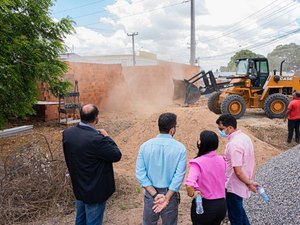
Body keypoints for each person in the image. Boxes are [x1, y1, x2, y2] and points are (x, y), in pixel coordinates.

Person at [62, 104, 122, 225]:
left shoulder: (68, 134)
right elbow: (116, 155)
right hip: (95, 191)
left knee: (80, 220)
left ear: (80, 116)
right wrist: (107, 137)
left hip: (79, 186)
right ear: (96, 118)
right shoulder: (97, 139)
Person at [136, 112, 187, 225]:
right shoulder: (180, 149)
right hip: (170, 194)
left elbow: (140, 173)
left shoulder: (145, 146)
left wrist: (154, 194)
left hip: (150, 194)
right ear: (172, 129)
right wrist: (167, 197)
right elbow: (179, 176)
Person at [216, 114, 259, 225]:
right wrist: (249, 181)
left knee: (235, 217)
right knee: (239, 211)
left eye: (221, 128)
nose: (220, 131)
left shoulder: (234, 144)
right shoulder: (245, 138)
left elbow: (238, 171)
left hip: (233, 185)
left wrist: (249, 183)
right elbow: (251, 160)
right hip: (242, 182)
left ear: (230, 127)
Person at [185, 130, 227, 225]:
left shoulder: (197, 162)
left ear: (202, 144)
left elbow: (189, 185)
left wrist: (192, 194)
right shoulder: (222, 160)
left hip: (205, 206)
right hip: (221, 206)